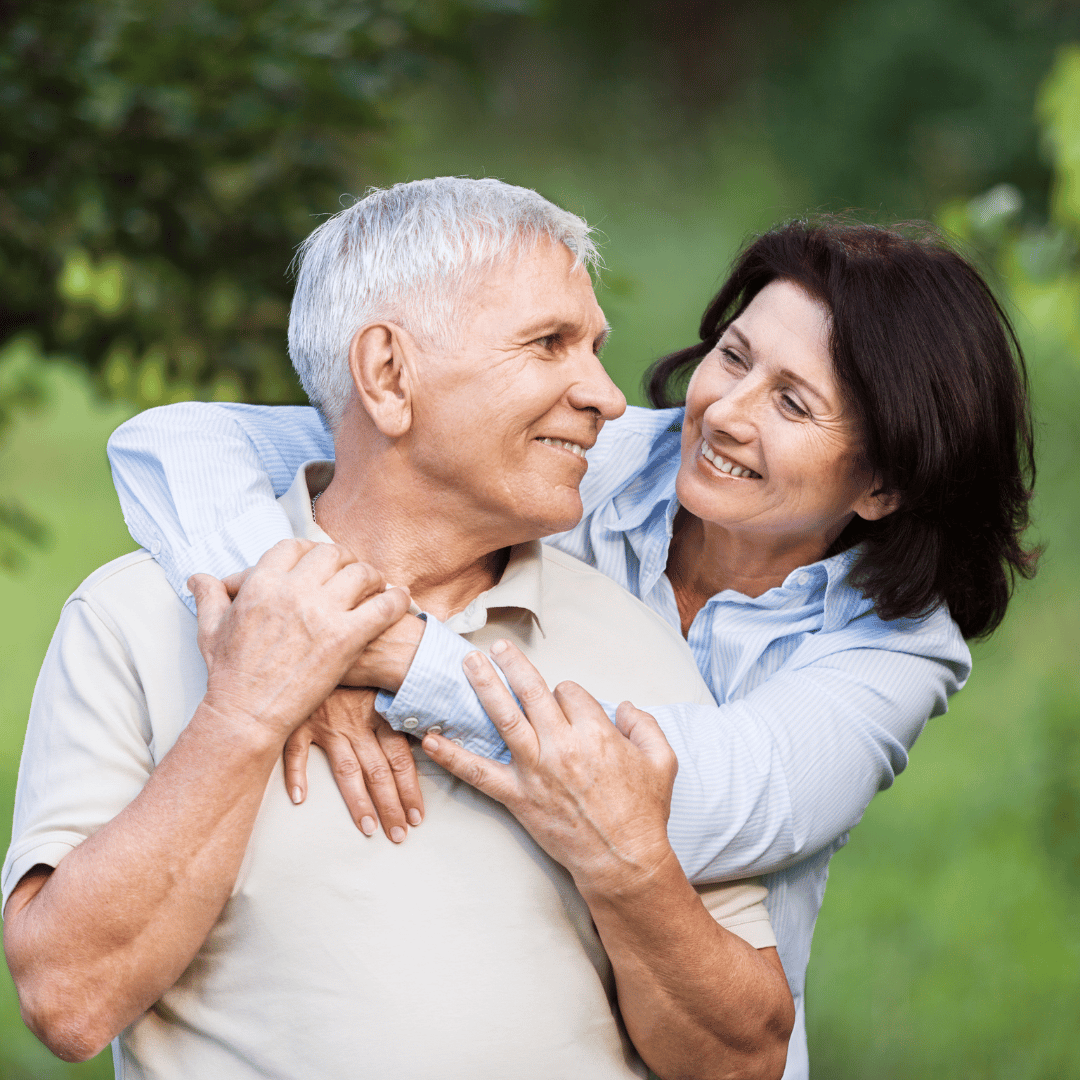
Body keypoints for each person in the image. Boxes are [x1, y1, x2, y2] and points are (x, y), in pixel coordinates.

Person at [101, 207, 1038, 1078]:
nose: (727, 413)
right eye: (734, 355)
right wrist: (301, 615)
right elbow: (178, 444)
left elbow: (690, 797)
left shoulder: (899, 648)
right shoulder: (587, 458)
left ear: (880, 484)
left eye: (794, 405)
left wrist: (390, 655)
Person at [2, 178, 794, 1080]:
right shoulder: (136, 618)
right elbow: (67, 1004)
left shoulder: (635, 642)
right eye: (548, 345)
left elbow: (745, 1060)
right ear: (386, 374)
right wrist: (246, 715)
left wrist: (630, 869)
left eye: (597, 350)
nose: (611, 399)